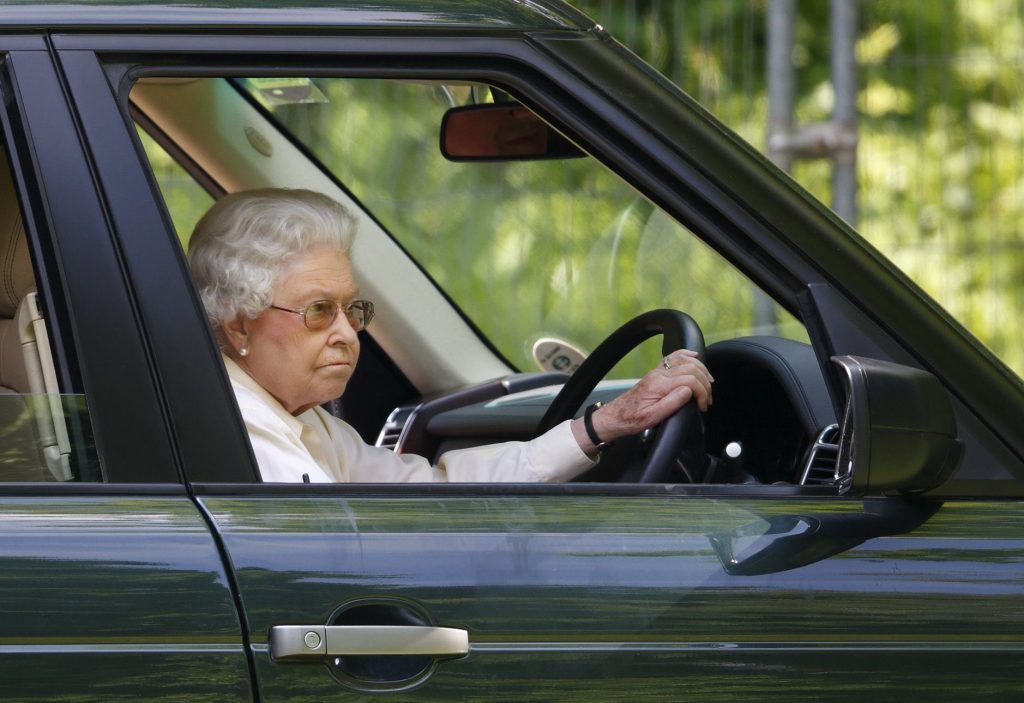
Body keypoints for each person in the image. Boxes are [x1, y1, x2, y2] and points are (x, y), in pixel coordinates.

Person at [188, 188, 713, 483]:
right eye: (320, 311)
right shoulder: (240, 430)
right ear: (239, 326)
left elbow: (430, 492)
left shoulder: (305, 422)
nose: (349, 333)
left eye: (353, 309)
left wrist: (604, 425)